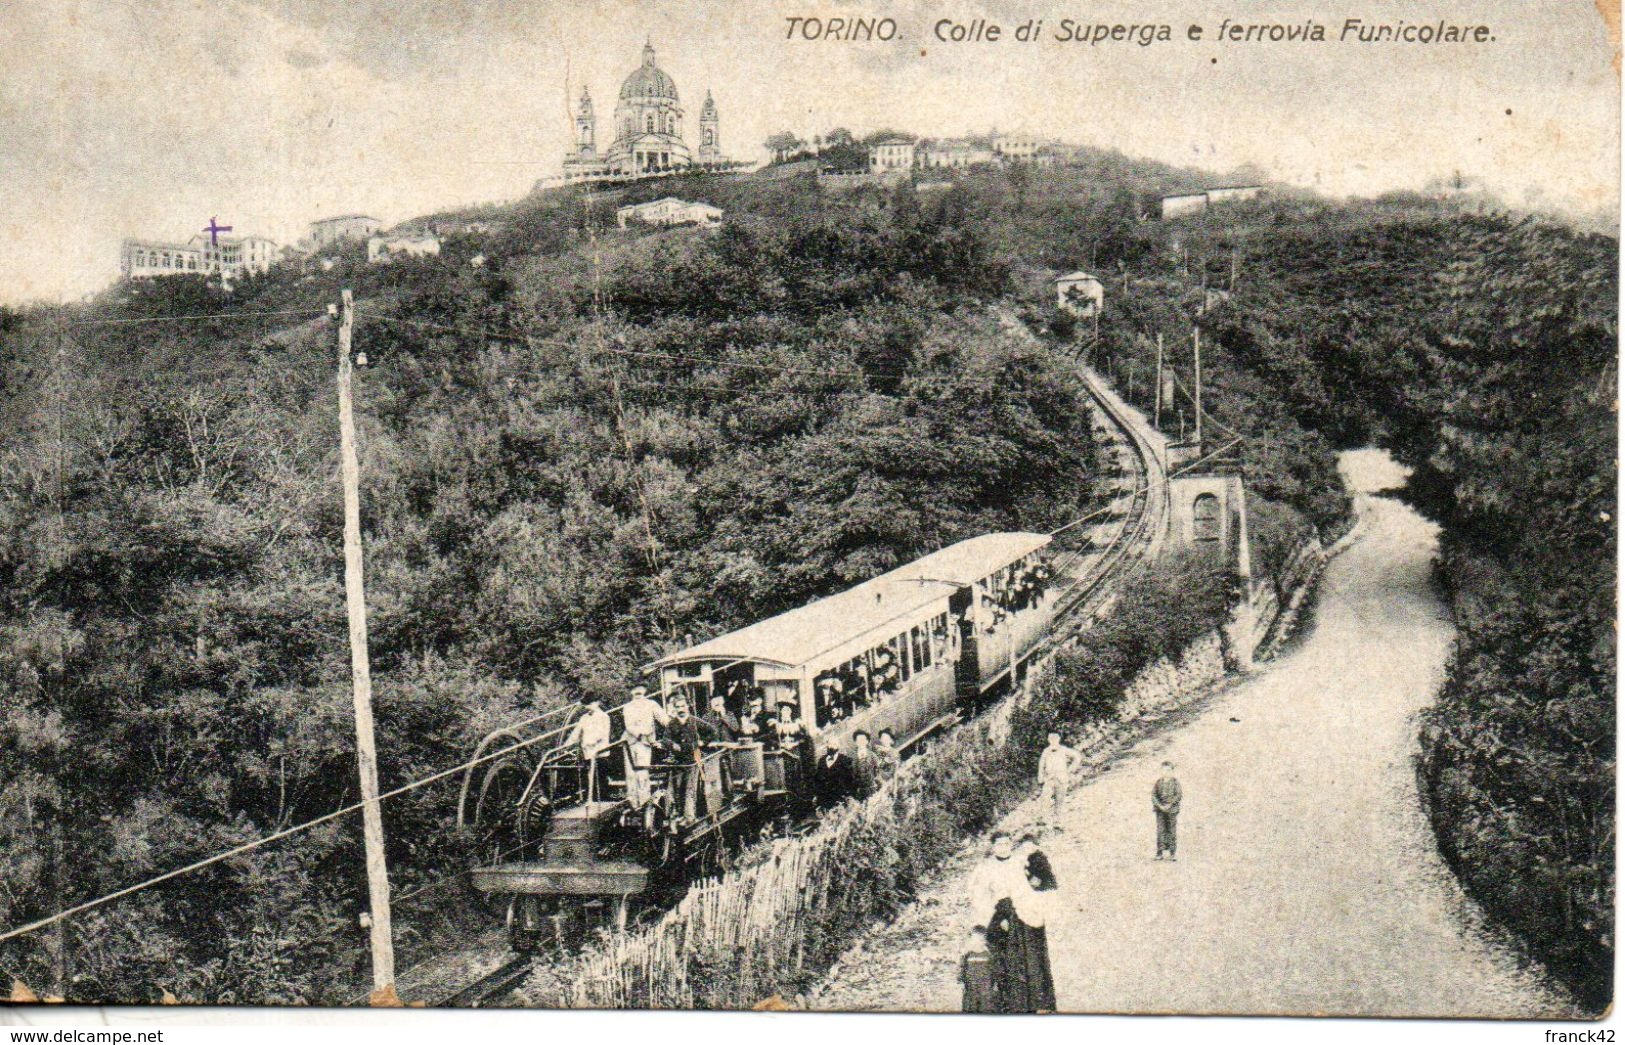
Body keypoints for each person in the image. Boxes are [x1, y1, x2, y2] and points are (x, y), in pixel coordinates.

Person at [661, 698, 720, 821]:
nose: (681, 709)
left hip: (694, 759)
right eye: (678, 707)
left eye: (683, 706)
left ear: (687, 707)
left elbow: (712, 731)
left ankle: (689, 817)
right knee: (676, 788)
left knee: (690, 788)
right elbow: (665, 739)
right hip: (678, 760)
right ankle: (677, 815)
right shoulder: (672, 724)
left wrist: (703, 742)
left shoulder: (694, 721)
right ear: (675, 708)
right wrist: (672, 745)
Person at [620, 685, 669, 811]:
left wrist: (674, 727)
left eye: (640, 689)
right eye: (635, 689)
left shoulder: (652, 704)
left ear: (644, 690)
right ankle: (633, 805)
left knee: (642, 773)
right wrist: (645, 731)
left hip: (644, 744)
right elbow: (629, 726)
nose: (638, 692)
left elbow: (664, 719)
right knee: (631, 776)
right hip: (630, 743)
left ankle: (644, 805)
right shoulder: (627, 707)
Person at [565, 697, 612, 805]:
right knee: (589, 776)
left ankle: (602, 801)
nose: (588, 707)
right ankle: (591, 799)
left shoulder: (604, 717)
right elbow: (576, 733)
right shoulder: (584, 718)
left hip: (600, 751)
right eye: (586, 705)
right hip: (588, 753)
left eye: (590, 704)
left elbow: (601, 734)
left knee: (600, 776)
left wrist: (589, 742)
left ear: (597, 702)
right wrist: (566, 746)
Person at [1036, 732, 1081, 829]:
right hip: (1050, 778)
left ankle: (1057, 821)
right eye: (1051, 740)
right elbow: (1041, 764)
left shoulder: (1063, 749)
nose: (1053, 741)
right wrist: (1040, 775)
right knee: (1045, 797)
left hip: (1061, 777)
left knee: (1059, 800)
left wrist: (1071, 769)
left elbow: (1077, 757)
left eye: (1055, 740)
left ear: (1058, 740)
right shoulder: (1046, 751)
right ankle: (1045, 819)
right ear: (1049, 740)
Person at [1153, 760, 1183, 861]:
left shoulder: (1175, 783)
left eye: (1169, 770)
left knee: (1171, 831)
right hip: (1160, 811)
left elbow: (1178, 795)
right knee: (1161, 831)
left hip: (1172, 810)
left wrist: (1170, 804)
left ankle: (1172, 853)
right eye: (1164, 770)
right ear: (1161, 771)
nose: (1166, 772)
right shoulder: (1158, 783)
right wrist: (1160, 806)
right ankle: (1159, 852)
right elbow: (1154, 795)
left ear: (1172, 771)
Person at [814, 741, 855, 806]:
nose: (831, 746)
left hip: (841, 799)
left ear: (838, 746)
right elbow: (818, 780)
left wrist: (848, 796)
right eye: (829, 744)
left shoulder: (845, 760)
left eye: (834, 744)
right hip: (825, 800)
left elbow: (851, 780)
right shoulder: (821, 761)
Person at [851, 730, 881, 798]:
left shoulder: (872, 756)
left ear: (867, 741)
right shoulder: (853, 758)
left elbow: (878, 770)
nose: (861, 742)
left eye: (863, 740)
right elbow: (853, 774)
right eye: (858, 740)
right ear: (856, 742)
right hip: (861, 789)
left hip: (873, 786)